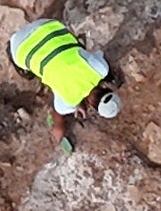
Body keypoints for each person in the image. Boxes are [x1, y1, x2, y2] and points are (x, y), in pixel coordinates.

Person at [7, 17, 119, 146]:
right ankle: (9, 49)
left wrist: (79, 101)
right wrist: (59, 127)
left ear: (108, 89)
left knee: (77, 48)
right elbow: (57, 112)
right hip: (18, 45)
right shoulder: (68, 101)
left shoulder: (101, 69)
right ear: (93, 107)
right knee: (28, 74)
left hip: (48, 26)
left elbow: (93, 56)